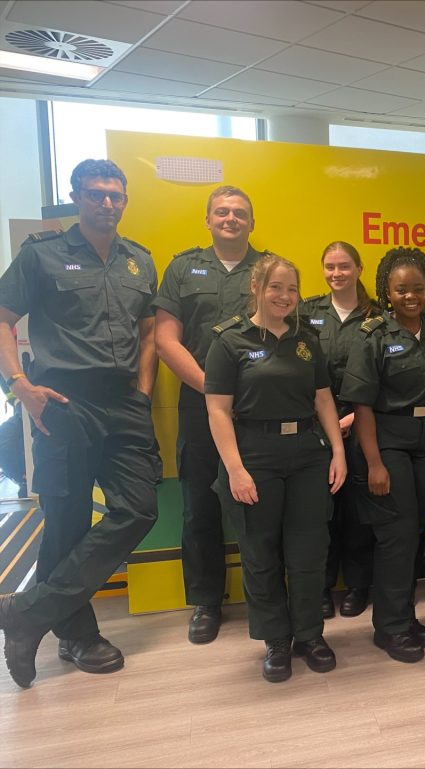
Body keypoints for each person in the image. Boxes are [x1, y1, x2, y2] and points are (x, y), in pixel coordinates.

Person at [0, 159, 161, 688]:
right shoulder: (42, 255)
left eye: (115, 195)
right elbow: (3, 318)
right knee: (66, 522)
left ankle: (29, 612)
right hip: (63, 401)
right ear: (76, 196)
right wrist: (18, 386)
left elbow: (147, 332)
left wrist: (141, 391)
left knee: (138, 509)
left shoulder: (139, 260)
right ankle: (77, 635)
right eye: (95, 194)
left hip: (123, 401)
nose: (106, 203)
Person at [204, 254, 346, 683]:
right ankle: (276, 641)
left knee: (308, 551)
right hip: (255, 455)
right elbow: (217, 410)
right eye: (276, 287)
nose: (285, 297)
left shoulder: (308, 339)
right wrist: (235, 469)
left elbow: (324, 399)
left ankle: (309, 634)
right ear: (256, 288)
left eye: (292, 289)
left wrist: (338, 452)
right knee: (260, 552)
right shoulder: (229, 341)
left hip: (307, 452)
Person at [153, 185, 265, 644]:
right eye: (222, 211)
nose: (230, 218)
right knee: (200, 504)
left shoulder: (268, 268)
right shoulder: (182, 268)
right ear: (208, 219)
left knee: (260, 503)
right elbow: (165, 340)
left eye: (240, 212)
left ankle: (265, 595)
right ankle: (206, 601)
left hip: (257, 408)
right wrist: (212, 389)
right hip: (200, 407)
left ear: (251, 222)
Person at [339, 248, 425, 664]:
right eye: (402, 289)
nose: (411, 297)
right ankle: (388, 628)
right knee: (395, 537)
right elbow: (362, 406)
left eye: (418, 289)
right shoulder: (374, 335)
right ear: (387, 290)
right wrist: (374, 463)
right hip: (388, 440)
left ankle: (405, 615)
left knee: (414, 532)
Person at [301, 241, 380, 621]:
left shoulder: (378, 315)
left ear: (359, 269)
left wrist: (351, 418)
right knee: (320, 513)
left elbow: (385, 375)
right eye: (330, 266)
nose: (337, 273)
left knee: (358, 511)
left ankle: (358, 586)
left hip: (361, 424)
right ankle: (320, 586)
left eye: (344, 266)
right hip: (316, 428)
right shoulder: (307, 312)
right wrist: (329, 422)